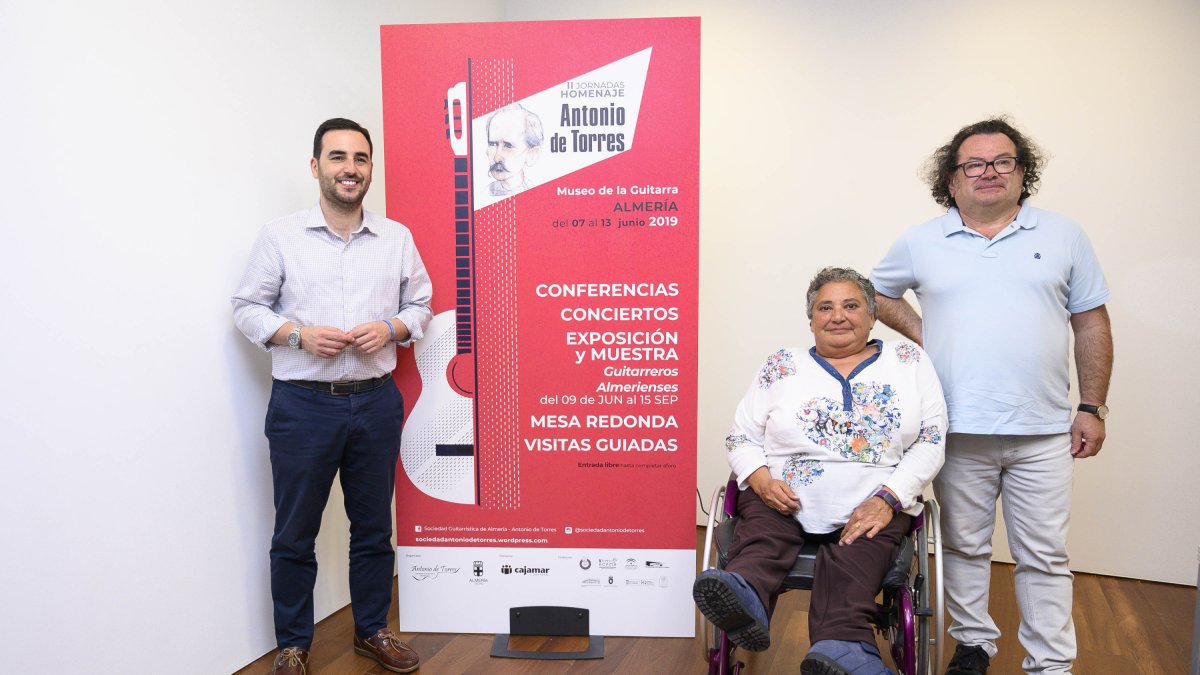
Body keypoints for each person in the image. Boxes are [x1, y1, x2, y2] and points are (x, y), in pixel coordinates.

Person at [871, 118, 1113, 675]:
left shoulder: (1064, 235)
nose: (988, 173)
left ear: (1022, 173)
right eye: (973, 164)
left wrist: (1091, 406)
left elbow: (1092, 324)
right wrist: (926, 332)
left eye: (1003, 161)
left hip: (1046, 428)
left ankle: (1051, 664)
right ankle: (974, 645)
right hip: (956, 427)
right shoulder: (920, 240)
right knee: (963, 548)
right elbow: (877, 292)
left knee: (1045, 556)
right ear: (951, 180)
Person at [232, 118, 433, 675]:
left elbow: (421, 304)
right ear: (316, 166)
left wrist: (391, 327)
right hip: (302, 406)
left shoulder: (396, 237)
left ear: (370, 169)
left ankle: (372, 631)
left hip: (376, 402)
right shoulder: (280, 237)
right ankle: (293, 645)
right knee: (294, 533)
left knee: (373, 529)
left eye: (361, 159)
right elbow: (247, 307)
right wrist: (299, 334)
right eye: (339, 157)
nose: (351, 168)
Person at [694, 267, 946, 675]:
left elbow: (931, 440)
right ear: (811, 319)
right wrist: (760, 479)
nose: (838, 316)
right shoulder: (782, 364)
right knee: (762, 537)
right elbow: (740, 437)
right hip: (782, 492)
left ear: (872, 315)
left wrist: (888, 499)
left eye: (851, 305)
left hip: (874, 499)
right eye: (825, 307)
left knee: (857, 555)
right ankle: (746, 599)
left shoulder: (909, 361)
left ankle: (844, 648)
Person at [485, 103, 543, 196]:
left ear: (532, 154)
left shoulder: (538, 194)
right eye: (493, 144)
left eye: (508, 146)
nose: (497, 157)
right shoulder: (481, 196)